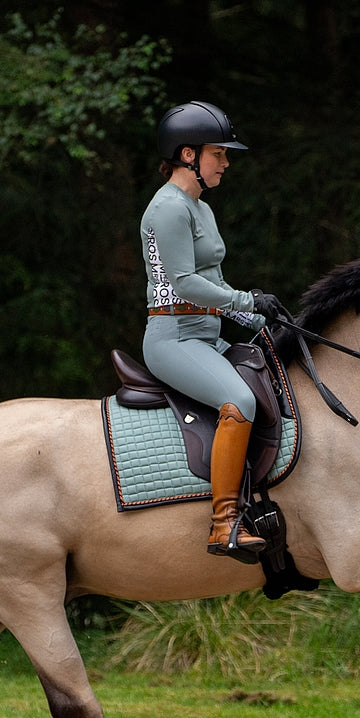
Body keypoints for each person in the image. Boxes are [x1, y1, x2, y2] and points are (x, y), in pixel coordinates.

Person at [140, 100, 290, 560]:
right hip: (175, 339)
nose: (226, 162)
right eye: (218, 153)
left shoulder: (199, 207)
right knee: (239, 401)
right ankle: (223, 522)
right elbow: (184, 283)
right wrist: (244, 302)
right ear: (189, 156)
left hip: (206, 335)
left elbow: (215, 284)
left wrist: (260, 317)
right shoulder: (167, 208)